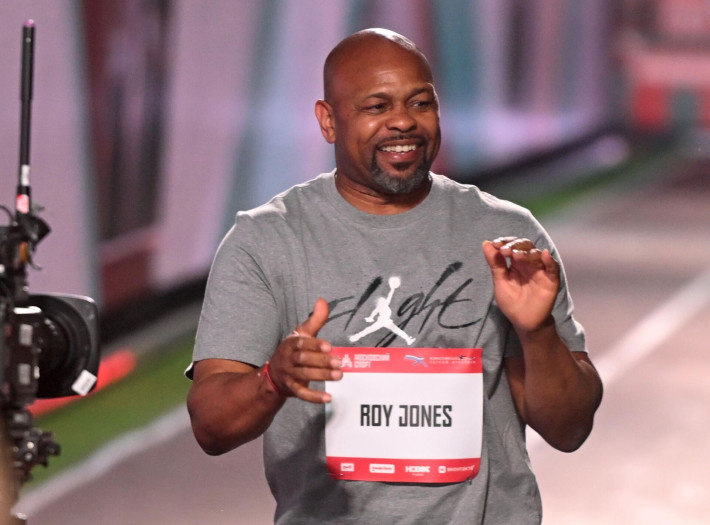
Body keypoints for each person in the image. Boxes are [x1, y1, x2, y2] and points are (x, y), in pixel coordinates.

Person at [187, 28, 603, 524]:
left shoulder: (508, 239)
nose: (404, 121)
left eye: (420, 103)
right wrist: (272, 379)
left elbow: (569, 429)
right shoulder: (266, 241)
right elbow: (210, 426)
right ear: (328, 121)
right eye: (377, 107)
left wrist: (537, 332)